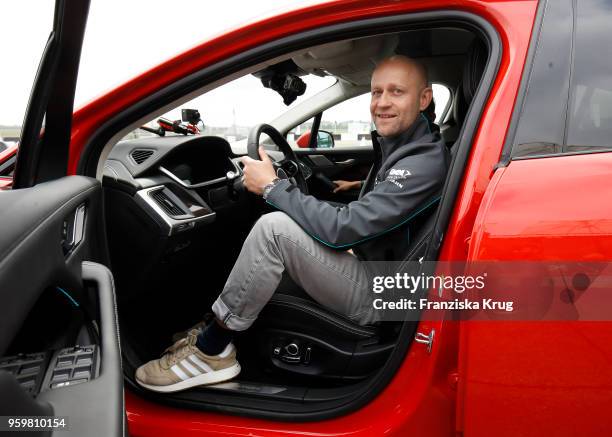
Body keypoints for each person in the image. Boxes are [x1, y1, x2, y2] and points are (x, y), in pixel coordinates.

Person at [135, 55, 450, 393]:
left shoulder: (423, 162)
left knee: (274, 231)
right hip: (378, 263)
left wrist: (274, 187)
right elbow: (384, 205)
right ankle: (215, 325)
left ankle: (212, 351)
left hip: (381, 294)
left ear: (424, 98)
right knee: (281, 237)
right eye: (376, 92)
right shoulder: (408, 146)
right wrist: (355, 188)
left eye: (397, 92)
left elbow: (344, 229)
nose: (382, 103)